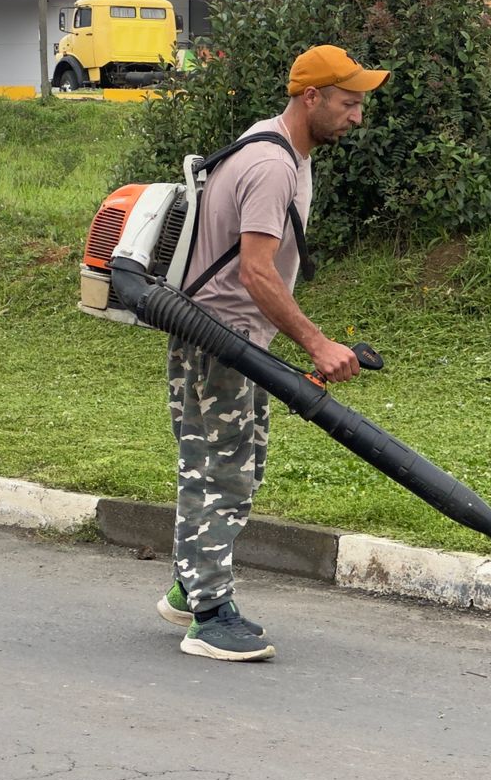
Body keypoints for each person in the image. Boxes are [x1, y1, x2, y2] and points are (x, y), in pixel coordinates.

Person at [156, 44, 389, 662]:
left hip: (222, 337)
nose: (356, 116)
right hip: (222, 340)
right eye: (347, 102)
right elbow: (259, 274)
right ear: (310, 97)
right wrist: (317, 343)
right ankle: (208, 615)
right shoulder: (272, 166)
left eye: (360, 104)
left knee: (230, 466)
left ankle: (190, 584)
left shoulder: (271, 145)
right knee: (222, 471)